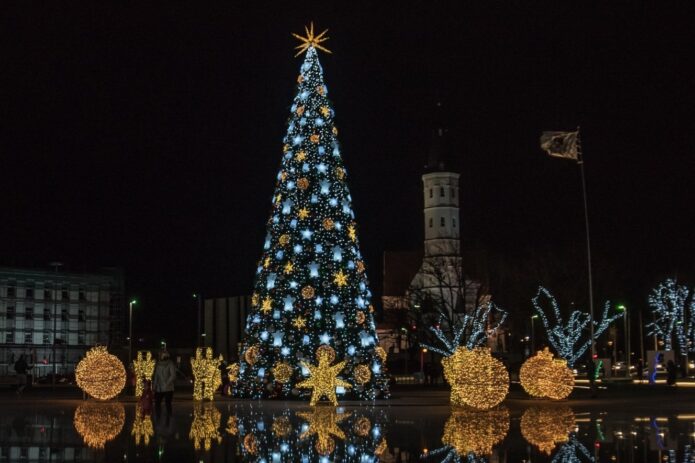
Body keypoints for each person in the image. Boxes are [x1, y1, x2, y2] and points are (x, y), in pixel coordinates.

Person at [153, 350, 176, 417]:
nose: (159, 356)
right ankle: (158, 416)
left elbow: (173, 375)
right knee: (157, 403)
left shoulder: (170, 364)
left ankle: (168, 418)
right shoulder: (158, 364)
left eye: (161, 355)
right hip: (159, 388)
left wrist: (167, 383)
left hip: (168, 388)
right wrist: (154, 386)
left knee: (167, 403)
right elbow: (156, 376)